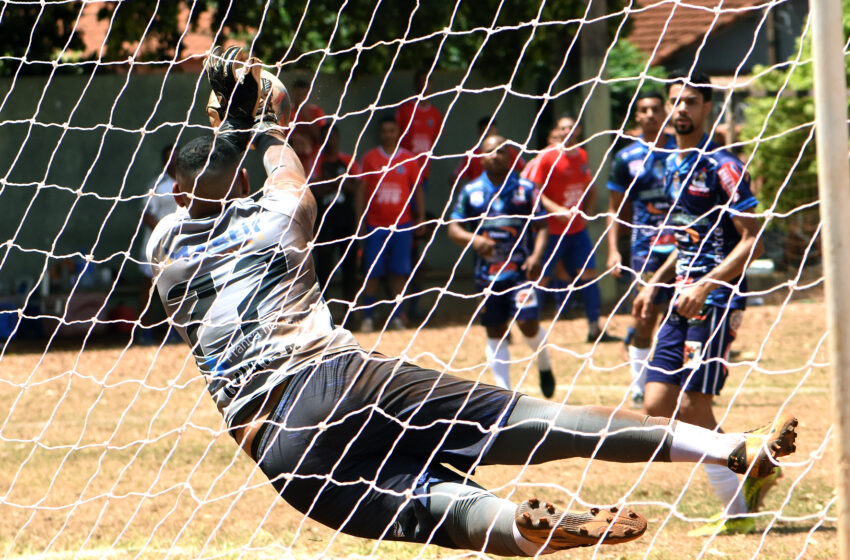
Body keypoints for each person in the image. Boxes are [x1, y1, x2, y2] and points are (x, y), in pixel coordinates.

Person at [147, 48, 798, 556]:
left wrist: (222, 130)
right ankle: (726, 447)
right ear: (241, 181)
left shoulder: (164, 251)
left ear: (178, 193)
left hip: (278, 451)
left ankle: (516, 523)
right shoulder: (280, 216)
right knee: (543, 421)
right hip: (338, 379)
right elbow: (286, 172)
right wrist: (261, 121)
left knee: (439, 510)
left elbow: (190, 183)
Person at [633, 70, 772, 536]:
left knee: (693, 404)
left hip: (717, 297)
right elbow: (689, 239)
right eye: (675, 101)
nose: (680, 110)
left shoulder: (722, 164)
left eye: (690, 102)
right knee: (656, 402)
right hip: (680, 294)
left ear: (707, 107)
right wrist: (655, 281)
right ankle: (752, 459)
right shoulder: (672, 163)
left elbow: (751, 240)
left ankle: (739, 511)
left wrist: (706, 285)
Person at [447, 135, 556, 398]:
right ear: (481, 156)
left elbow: (543, 227)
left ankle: (544, 364)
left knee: (528, 324)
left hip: (521, 272)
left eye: (501, 151)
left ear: (510, 156)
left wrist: (537, 257)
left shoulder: (526, 189)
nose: (495, 156)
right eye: (490, 151)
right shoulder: (471, 191)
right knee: (495, 329)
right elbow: (453, 228)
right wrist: (474, 240)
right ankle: (504, 395)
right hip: (487, 275)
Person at [605, 92, 678, 407]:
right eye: (643, 110)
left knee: (681, 317)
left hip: (685, 248)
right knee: (646, 315)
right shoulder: (626, 158)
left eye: (655, 109)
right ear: (636, 117)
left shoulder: (684, 150)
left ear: (665, 113)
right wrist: (613, 250)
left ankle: (679, 383)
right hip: (645, 249)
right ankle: (638, 385)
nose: (650, 114)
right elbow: (614, 209)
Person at [525, 116, 618, 343]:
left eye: (571, 127)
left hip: (576, 230)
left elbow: (590, 187)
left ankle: (595, 329)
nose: (567, 130)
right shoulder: (546, 157)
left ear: (577, 130)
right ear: (557, 130)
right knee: (541, 278)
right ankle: (525, 324)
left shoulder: (582, 156)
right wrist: (556, 210)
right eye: (563, 127)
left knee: (589, 276)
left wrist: (587, 212)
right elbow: (533, 190)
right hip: (552, 230)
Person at [356, 116, 425, 332]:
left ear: (398, 133)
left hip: (402, 226)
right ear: (380, 133)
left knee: (398, 272)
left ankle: (397, 316)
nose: (388, 134)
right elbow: (361, 191)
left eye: (392, 130)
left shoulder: (409, 159)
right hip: (375, 225)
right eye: (384, 130)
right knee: (372, 272)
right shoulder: (369, 158)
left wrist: (420, 217)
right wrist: (360, 220)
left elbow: (418, 189)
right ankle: (368, 317)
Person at [310, 124, 360, 314]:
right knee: (324, 269)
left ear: (338, 137)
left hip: (346, 220)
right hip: (324, 223)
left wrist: (331, 183)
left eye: (333, 136)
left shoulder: (349, 160)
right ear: (321, 140)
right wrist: (339, 183)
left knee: (350, 269)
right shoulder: (314, 162)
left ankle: (351, 314)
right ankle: (324, 313)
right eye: (325, 137)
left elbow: (356, 188)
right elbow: (313, 189)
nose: (329, 140)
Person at [138, 143, 178, 344]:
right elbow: (146, 214)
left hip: (180, 244)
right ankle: (144, 331)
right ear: (164, 161)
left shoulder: (190, 182)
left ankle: (175, 331)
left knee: (176, 287)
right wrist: (164, 231)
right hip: (156, 244)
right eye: (169, 157)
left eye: (177, 157)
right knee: (150, 287)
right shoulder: (157, 186)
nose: (173, 162)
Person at [453, 117, 525, 184]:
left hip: (505, 193)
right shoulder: (472, 154)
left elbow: (524, 170)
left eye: (491, 130)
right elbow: (454, 178)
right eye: (485, 131)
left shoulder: (507, 149)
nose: (494, 156)